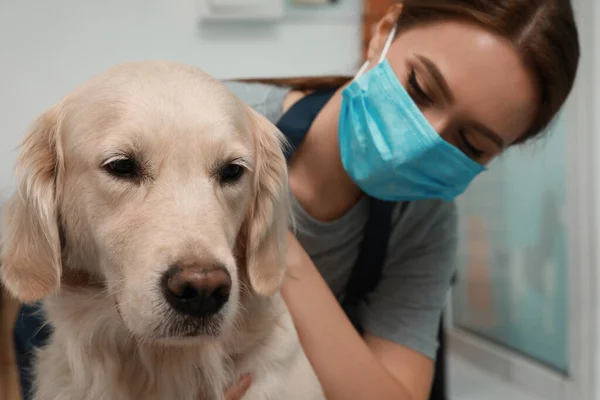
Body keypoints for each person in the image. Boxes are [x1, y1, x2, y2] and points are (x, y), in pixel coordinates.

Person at [12, 1, 579, 400]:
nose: (427, 137)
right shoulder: (205, 111)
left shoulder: (423, 219)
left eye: (471, 143)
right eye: (421, 89)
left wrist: (267, 223)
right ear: (382, 34)